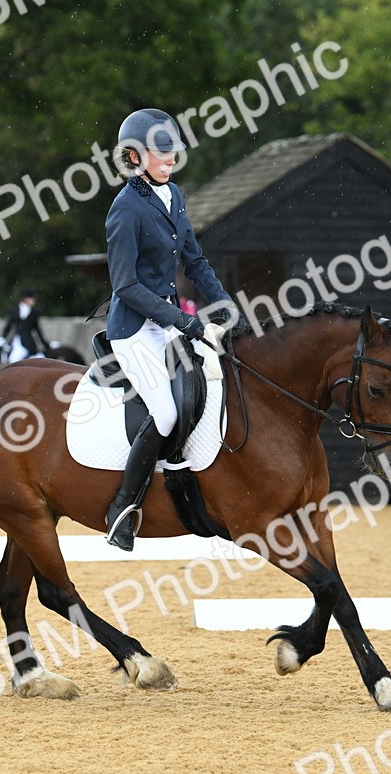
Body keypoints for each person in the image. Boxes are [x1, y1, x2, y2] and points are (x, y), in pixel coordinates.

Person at [103, 107, 238, 551]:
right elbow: (125, 285)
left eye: (173, 150)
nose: (171, 159)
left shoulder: (174, 195)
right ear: (135, 157)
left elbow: (194, 261)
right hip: (134, 329)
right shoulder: (125, 210)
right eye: (161, 153)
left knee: (211, 385)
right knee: (165, 412)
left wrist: (223, 305)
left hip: (167, 321)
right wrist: (184, 320)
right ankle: (123, 507)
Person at [0, 287, 57, 363]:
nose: (34, 300)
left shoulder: (34, 313)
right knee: (13, 360)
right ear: (25, 299)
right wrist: (2, 337)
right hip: (16, 342)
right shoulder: (14, 310)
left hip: (29, 343)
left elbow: (38, 331)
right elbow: (8, 327)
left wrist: (47, 345)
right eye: (32, 298)